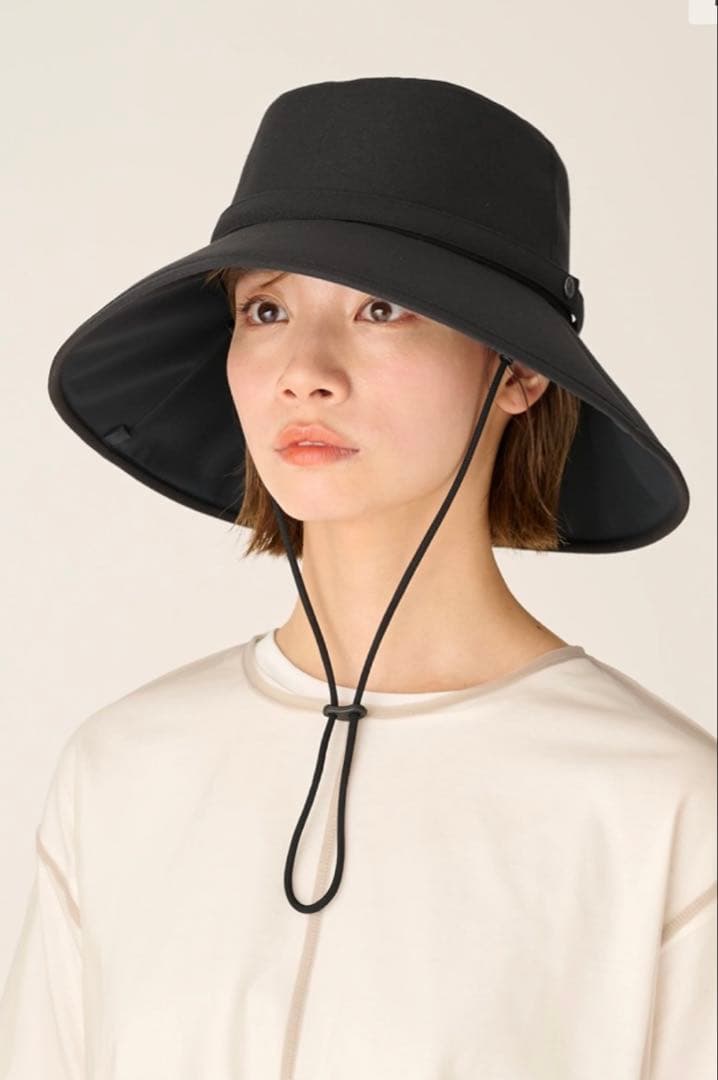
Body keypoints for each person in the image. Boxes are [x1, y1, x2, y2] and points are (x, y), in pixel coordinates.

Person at [0, 76, 715, 1079]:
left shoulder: (662, 811)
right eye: (266, 307)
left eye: (382, 307)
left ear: (518, 371)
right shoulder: (122, 770)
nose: (306, 370)